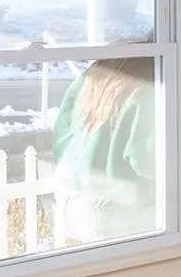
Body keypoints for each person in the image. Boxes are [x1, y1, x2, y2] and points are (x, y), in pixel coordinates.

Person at [51, 55, 159, 246]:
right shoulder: (150, 85)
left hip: (68, 200)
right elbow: (143, 158)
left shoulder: (96, 74)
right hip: (113, 209)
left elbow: (61, 137)